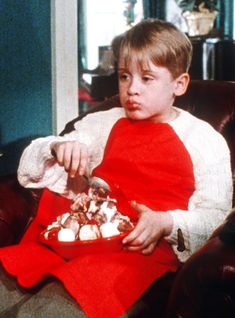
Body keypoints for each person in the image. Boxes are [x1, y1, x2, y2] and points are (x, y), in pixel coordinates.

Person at [0, 19, 233, 318]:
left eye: (147, 79)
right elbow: (35, 163)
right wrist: (58, 148)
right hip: (77, 241)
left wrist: (166, 222)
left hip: (137, 257)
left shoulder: (203, 139)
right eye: (125, 76)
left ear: (179, 83)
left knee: (53, 309)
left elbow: (217, 217)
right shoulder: (104, 122)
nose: (132, 89)